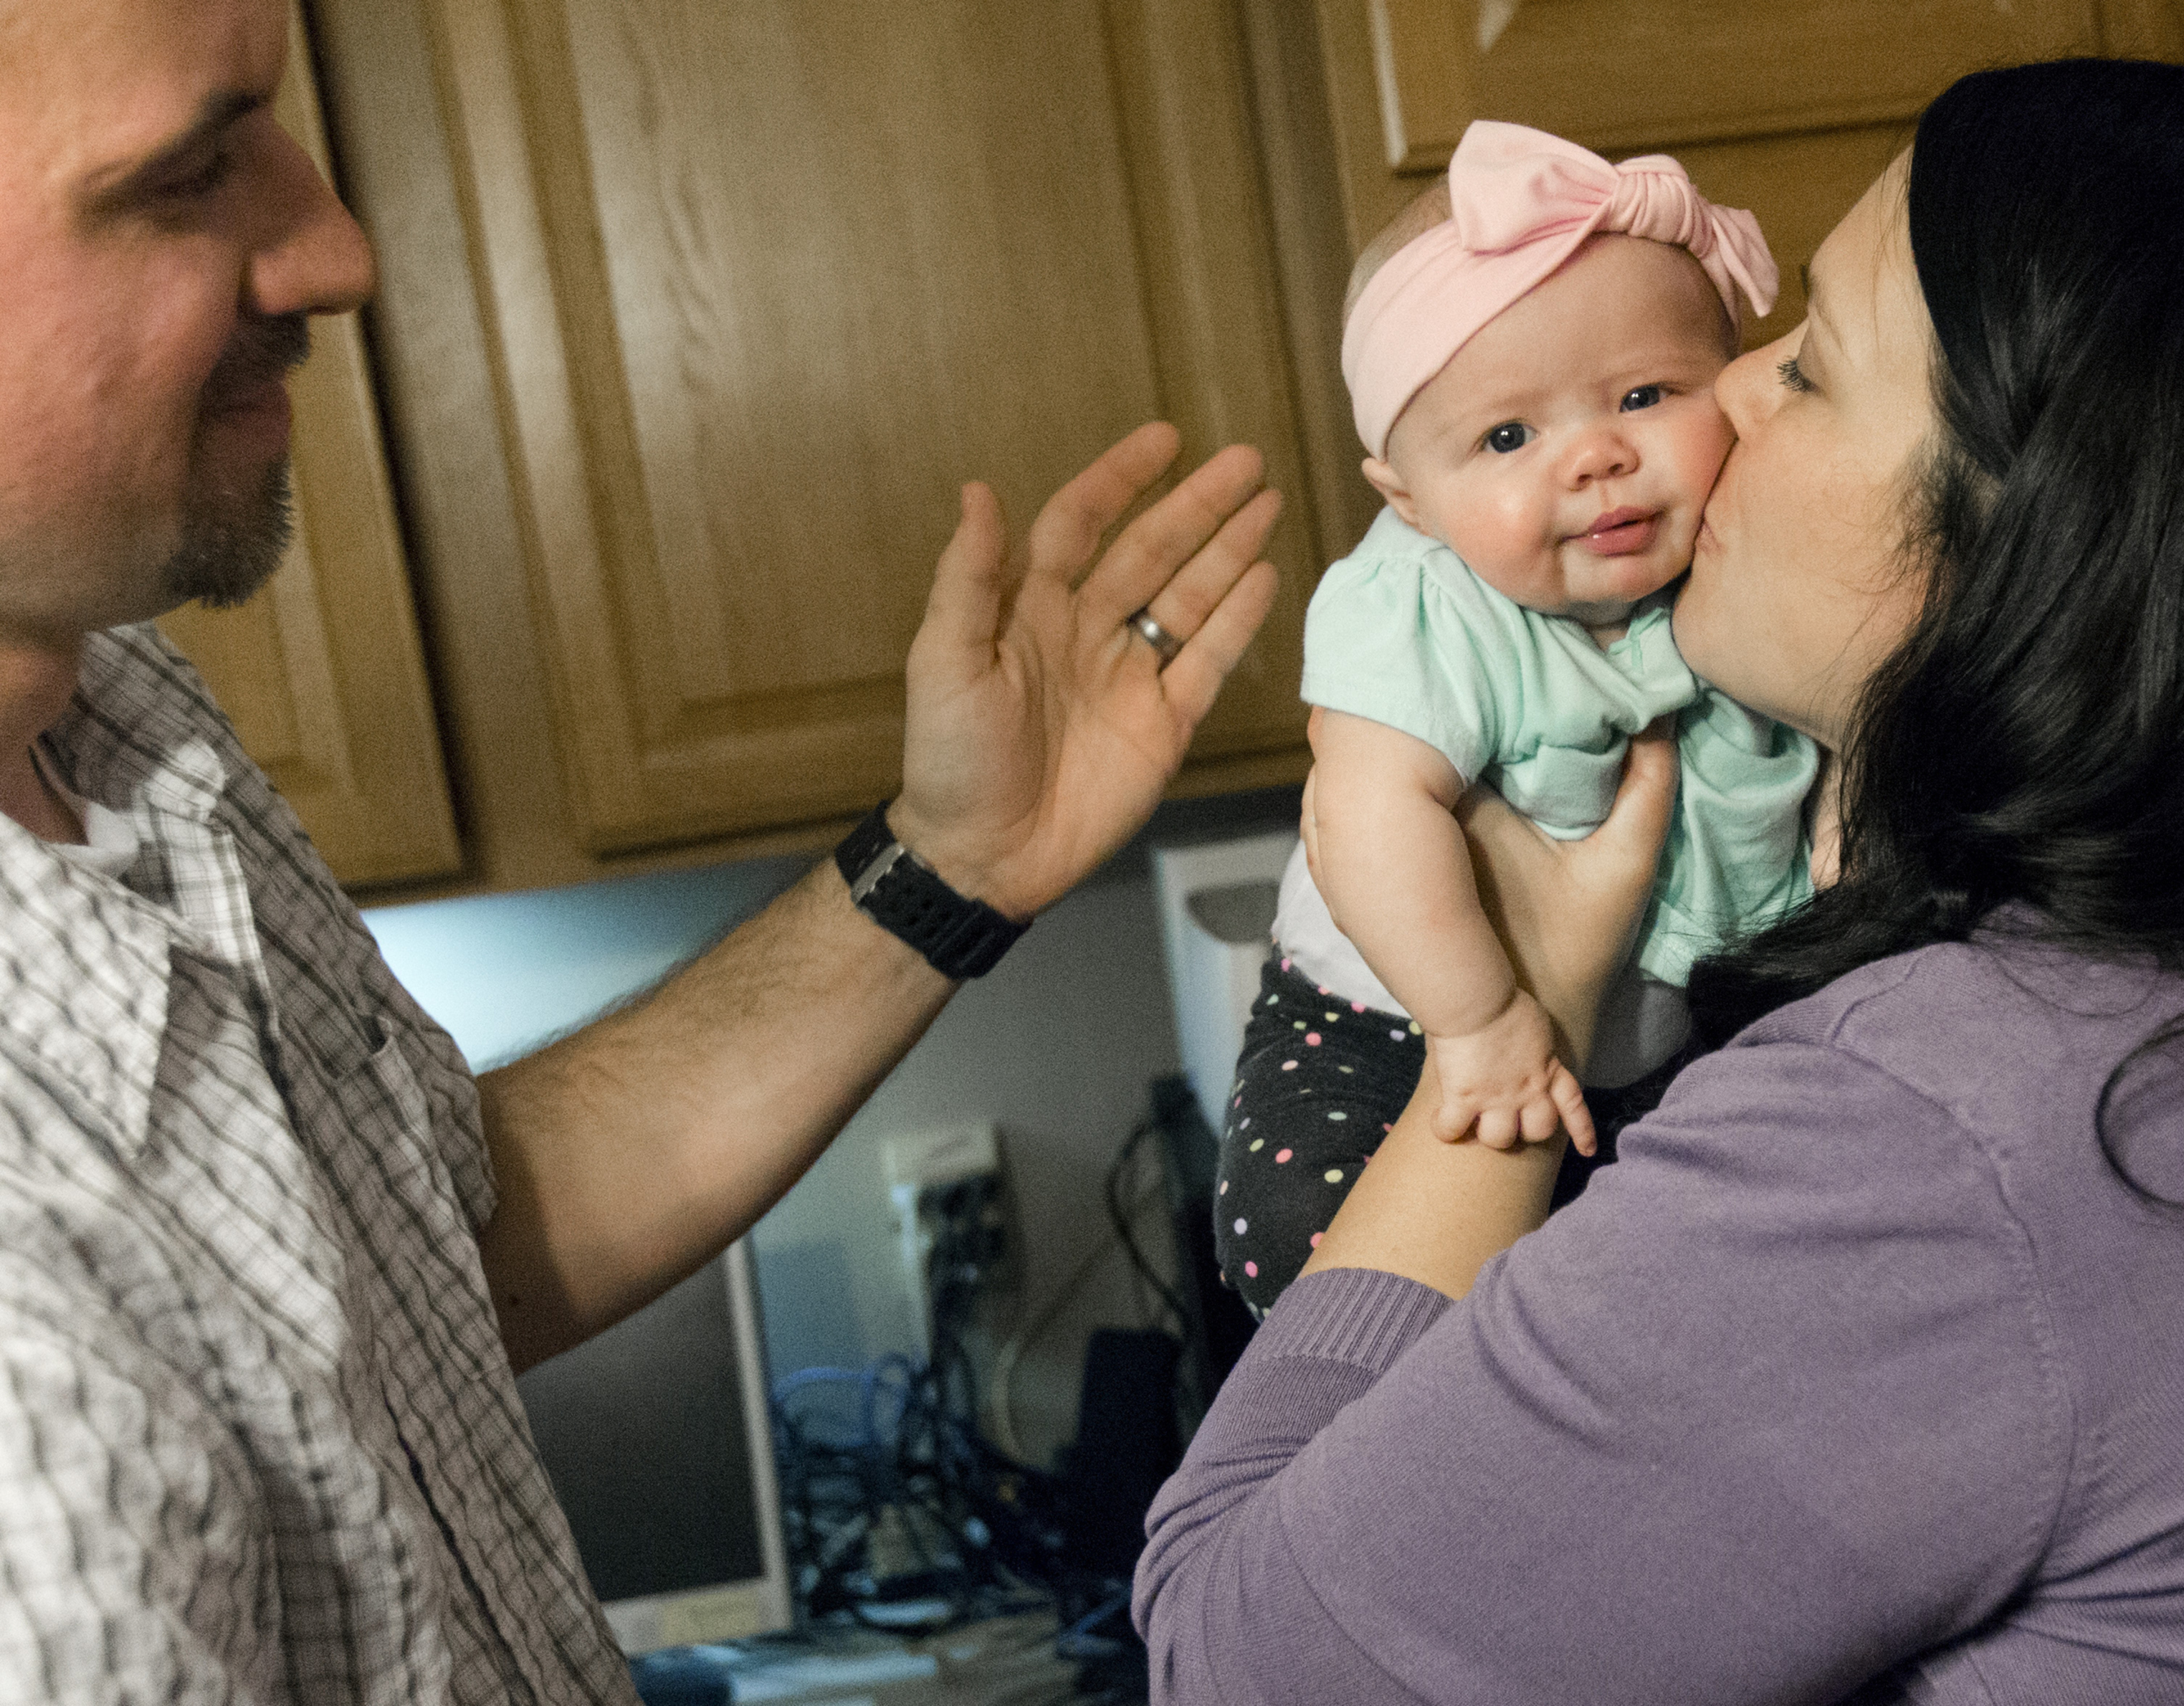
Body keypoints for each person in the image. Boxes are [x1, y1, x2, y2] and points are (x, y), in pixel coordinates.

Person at [1138, 57, 2184, 1705]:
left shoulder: (1936, 1146)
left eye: (1810, 364)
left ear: (2035, 542)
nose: (1723, 391)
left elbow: (1236, 1660)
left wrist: (1527, 1007)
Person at [0, 1, 1279, 1699]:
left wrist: (951, 861)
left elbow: (419, 1251)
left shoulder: (118, 706)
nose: (336, 251)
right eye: (190, 171)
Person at [1218, 122, 1812, 1311]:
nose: (1595, 458)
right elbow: (1367, 812)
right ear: (1411, 500)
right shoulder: (1423, 602)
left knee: (1684, 1291)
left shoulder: (1749, 544)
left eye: (1644, 395)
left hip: (1670, 1034)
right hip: (1397, 1021)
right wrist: (1480, 1019)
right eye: (1506, 436)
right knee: (1305, 1251)